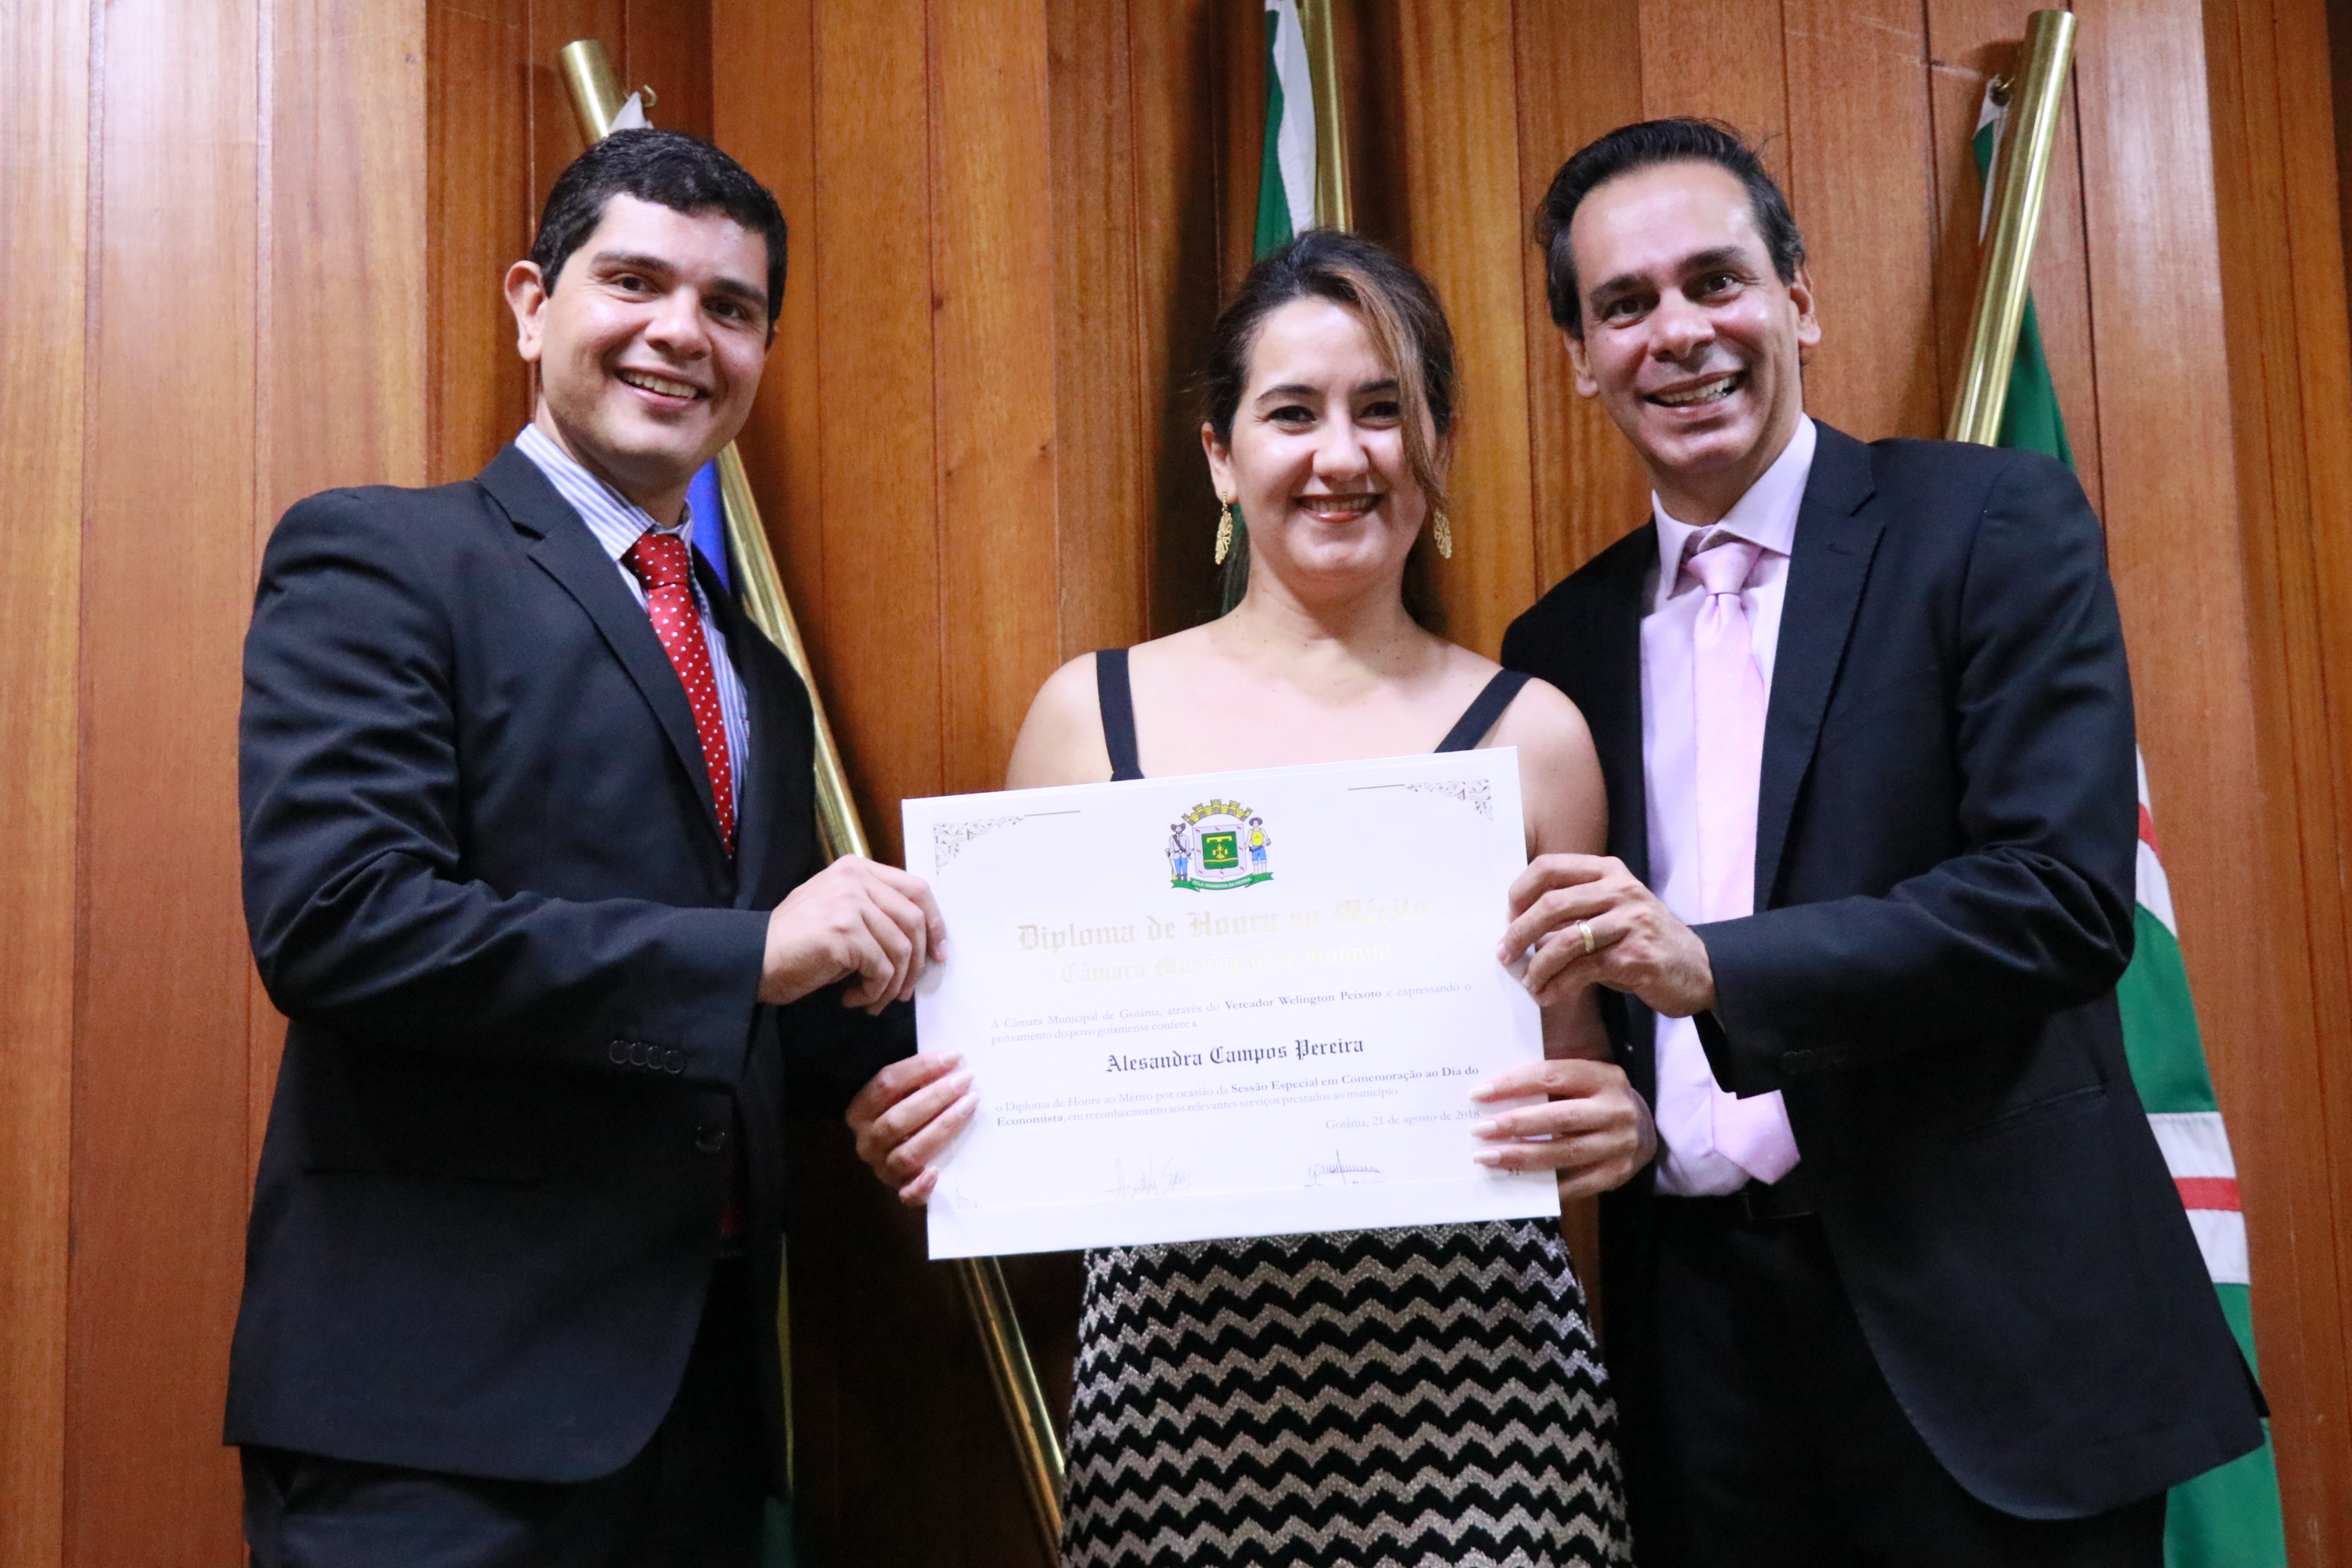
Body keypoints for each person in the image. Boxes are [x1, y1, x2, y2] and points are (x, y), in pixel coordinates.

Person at [1498, 118, 2266, 1567]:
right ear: (1581, 361)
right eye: (1625, 304)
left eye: (1716, 280)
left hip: (1991, 1336)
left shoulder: (1986, 523)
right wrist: (1615, 1102)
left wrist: (1714, 967)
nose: (1678, 331)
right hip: (1700, 1355)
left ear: (1798, 300)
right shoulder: (1558, 648)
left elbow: (2058, 902)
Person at [850, 229, 1649, 1567]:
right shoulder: (1087, 719)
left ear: (1437, 445)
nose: (1342, 455)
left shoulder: (1536, 737)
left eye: (1383, 410)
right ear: (1221, 455)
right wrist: (931, 1128)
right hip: (1172, 1404)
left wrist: (1611, 1120)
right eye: (1292, 413)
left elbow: (1568, 1081)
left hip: (1485, 1403)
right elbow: (1010, 1078)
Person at [229, 128, 943, 1567]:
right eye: (635, 282)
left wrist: (915, 1068)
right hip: (436, 1419)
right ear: (530, 304)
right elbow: (342, 923)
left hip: (699, 1416)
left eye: (731, 307)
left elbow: (762, 1003)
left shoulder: (758, 674)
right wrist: (755, 956)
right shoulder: (381, 558)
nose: (683, 332)